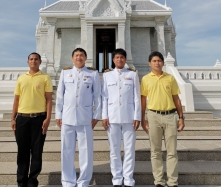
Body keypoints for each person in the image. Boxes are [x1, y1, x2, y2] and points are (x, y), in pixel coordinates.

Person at [55, 47, 101, 187]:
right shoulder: (65, 72)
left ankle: (84, 181)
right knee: (66, 151)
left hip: (85, 117)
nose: (79, 58)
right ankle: (68, 181)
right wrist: (58, 114)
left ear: (86, 58)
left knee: (86, 151)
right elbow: (59, 95)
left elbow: (97, 97)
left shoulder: (92, 73)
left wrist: (96, 115)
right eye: (76, 55)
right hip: (67, 117)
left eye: (81, 55)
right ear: (72, 58)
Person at [141, 51, 185, 187]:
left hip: (170, 116)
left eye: (159, 60)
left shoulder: (170, 78)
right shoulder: (145, 79)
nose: (157, 63)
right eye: (154, 61)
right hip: (153, 116)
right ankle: (159, 181)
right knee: (155, 151)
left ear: (163, 63)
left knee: (172, 151)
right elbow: (143, 100)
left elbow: (176, 99)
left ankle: (172, 181)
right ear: (149, 63)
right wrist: (143, 118)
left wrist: (181, 117)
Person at [11, 52, 53, 187]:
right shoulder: (21, 78)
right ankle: (21, 181)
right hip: (22, 119)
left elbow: (48, 100)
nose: (33, 61)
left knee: (37, 152)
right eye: (31, 59)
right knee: (22, 152)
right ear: (27, 62)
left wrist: (47, 118)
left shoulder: (45, 77)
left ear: (40, 62)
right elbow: (16, 100)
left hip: (39, 119)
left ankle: (32, 181)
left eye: (36, 59)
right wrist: (13, 118)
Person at [102, 48, 141, 187]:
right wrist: (104, 116)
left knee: (129, 149)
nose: (119, 60)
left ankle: (129, 179)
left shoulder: (132, 74)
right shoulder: (107, 76)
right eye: (117, 57)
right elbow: (104, 97)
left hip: (129, 116)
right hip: (112, 117)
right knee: (114, 150)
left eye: (122, 57)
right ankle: (117, 178)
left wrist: (137, 116)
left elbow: (137, 97)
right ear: (113, 60)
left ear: (125, 59)